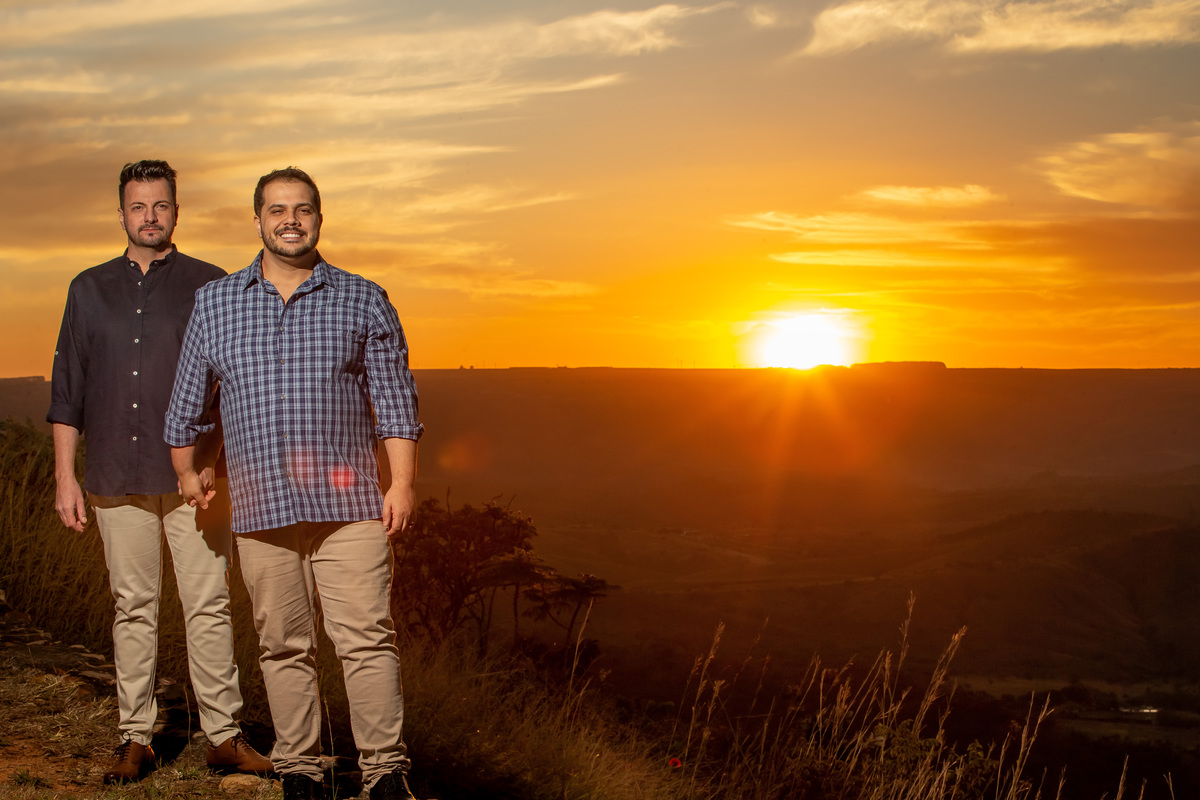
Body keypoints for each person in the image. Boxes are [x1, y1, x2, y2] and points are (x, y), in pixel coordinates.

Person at [164, 167, 422, 800]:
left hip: (350, 506)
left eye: (302, 209)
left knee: (367, 640)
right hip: (261, 507)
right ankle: (300, 770)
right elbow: (187, 404)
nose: (290, 220)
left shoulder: (364, 298)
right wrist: (186, 471)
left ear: (319, 218)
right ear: (258, 219)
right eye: (277, 209)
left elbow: (395, 402)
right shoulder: (217, 302)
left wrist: (402, 483)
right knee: (282, 646)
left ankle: (385, 773)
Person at [48, 160, 273, 784]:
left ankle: (223, 736)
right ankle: (136, 738)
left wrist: (224, 464)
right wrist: (65, 477)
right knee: (133, 606)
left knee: (208, 604)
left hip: (196, 479)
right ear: (121, 213)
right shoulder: (86, 289)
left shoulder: (212, 285)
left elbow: (237, 385)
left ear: (177, 210)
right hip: (114, 472)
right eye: (138, 206)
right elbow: (68, 390)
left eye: (161, 205)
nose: (150, 217)